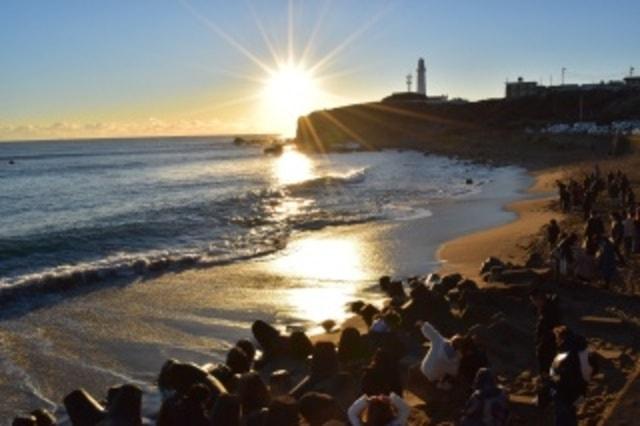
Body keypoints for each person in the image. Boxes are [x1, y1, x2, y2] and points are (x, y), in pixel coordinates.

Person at [549, 327, 593, 426]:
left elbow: (555, 372)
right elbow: (588, 371)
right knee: (571, 413)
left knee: (562, 416)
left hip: (564, 390)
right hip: (579, 390)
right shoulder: (582, 349)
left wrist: (552, 386)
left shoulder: (563, 352)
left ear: (561, 337)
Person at [418, 321, 462, 390]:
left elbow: (432, 332)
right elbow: (455, 372)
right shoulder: (456, 359)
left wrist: (423, 324)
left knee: (430, 352)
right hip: (434, 377)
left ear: (451, 340)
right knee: (453, 373)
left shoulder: (440, 341)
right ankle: (441, 384)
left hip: (424, 368)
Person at [529, 288, 562, 376]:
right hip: (547, 342)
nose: (534, 303)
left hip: (548, 343)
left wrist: (541, 342)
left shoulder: (549, 311)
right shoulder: (547, 309)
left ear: (540, 299)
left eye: (534, 300)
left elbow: (550, 327)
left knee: (547, 365)